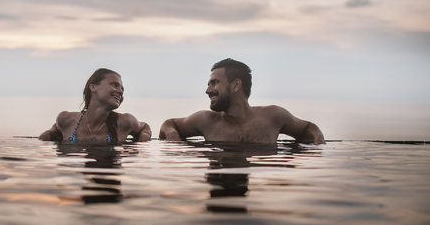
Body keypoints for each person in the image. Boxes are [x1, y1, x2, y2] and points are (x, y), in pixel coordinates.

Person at [159, 58, 325, 144]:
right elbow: (168, 124)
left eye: (214, 83)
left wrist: (317, 145)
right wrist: (173, 138)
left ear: (236, 85)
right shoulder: (205, 120)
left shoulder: (273, 116)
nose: (208, 90)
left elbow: (309, 129)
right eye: (208, 84)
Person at [39, 68, 151, 143]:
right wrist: (49, 133)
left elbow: (145, 127)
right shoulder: (66, 119)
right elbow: (56, 128)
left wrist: (143, 139)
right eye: (115, 85)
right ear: (93, 87)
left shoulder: (125, 121)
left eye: (122, 89)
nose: (120, 91)